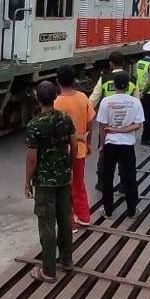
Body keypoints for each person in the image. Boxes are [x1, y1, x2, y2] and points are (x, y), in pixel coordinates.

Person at [24, 80, 75, 283]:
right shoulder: (65, 118)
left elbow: (32, 159)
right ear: (55, 97)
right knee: (64, 220)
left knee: (46, 224)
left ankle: (48, 271)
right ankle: (67, 260)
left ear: (37, 98)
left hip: (44, 183)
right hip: (63, 178)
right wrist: (68, 167)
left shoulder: (34, 125)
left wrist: (27, 182)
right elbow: (74, 145)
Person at [96, 71, 145, 217]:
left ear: (113, 85)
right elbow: (137, 125)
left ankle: (108, 210)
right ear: (129, 86)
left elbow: (102, 125)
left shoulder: (106, 102)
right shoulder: (135, 102)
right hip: (127, 145)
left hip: (110, 144)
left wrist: (102, 144)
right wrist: (122, 130)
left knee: (107, 178)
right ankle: (132, 211)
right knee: (130, 178)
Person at [53, 65, 95, 231]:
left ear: (58, 81)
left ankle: (70, 223)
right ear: (74, 79)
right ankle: (84, 216)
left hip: (64, 152)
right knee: (79, 183)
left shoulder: (57, 103)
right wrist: (88, 142)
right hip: (80, 149)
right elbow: (90, 122)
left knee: (64, 187)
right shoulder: (83, 97)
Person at [89, 51, 137, 191]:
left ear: (110, 63)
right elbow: (137, 101)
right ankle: (123, 184)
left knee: (104, 153)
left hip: (107, 125)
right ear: (123, 63)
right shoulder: (132, 80)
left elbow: (93, 100)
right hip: (127, 126)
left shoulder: (104, 79)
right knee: (125, 157)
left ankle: (102, 183)